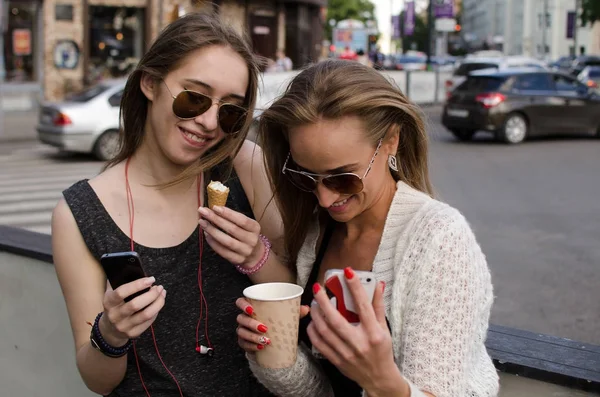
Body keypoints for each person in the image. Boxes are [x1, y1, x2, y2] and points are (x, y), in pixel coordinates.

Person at [52, 12, 292, 397]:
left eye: (230, 110)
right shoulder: (80, 213)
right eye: (194, 97)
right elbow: (98, 380)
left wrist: (255, 257)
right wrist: (111, 333)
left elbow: (294, 297)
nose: (210, 122)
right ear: (149, 82)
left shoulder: (244, 166)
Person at [235, 60, 499, 397]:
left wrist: (382, 381)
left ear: (391, 140)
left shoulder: (439, 238)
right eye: (306, 176)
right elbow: (322, 390)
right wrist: (273, 352)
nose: (325, 198)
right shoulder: (319, 233)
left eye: (342, 177)